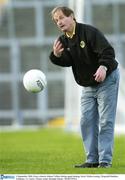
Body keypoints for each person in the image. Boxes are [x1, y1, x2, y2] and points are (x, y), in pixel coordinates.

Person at [49, 6, 120, 168]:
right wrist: (57, 55)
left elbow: (108, 52)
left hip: (107, 79)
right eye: (56, 20)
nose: (59, 22)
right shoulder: (63, 40)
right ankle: (92, 160)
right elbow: (67, 61)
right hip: (88, 85)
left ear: (72, 16)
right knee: (86, 121)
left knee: (106, 121)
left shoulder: (89, 32)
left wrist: (103, 67)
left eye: (61, 17)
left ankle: (104, 161)